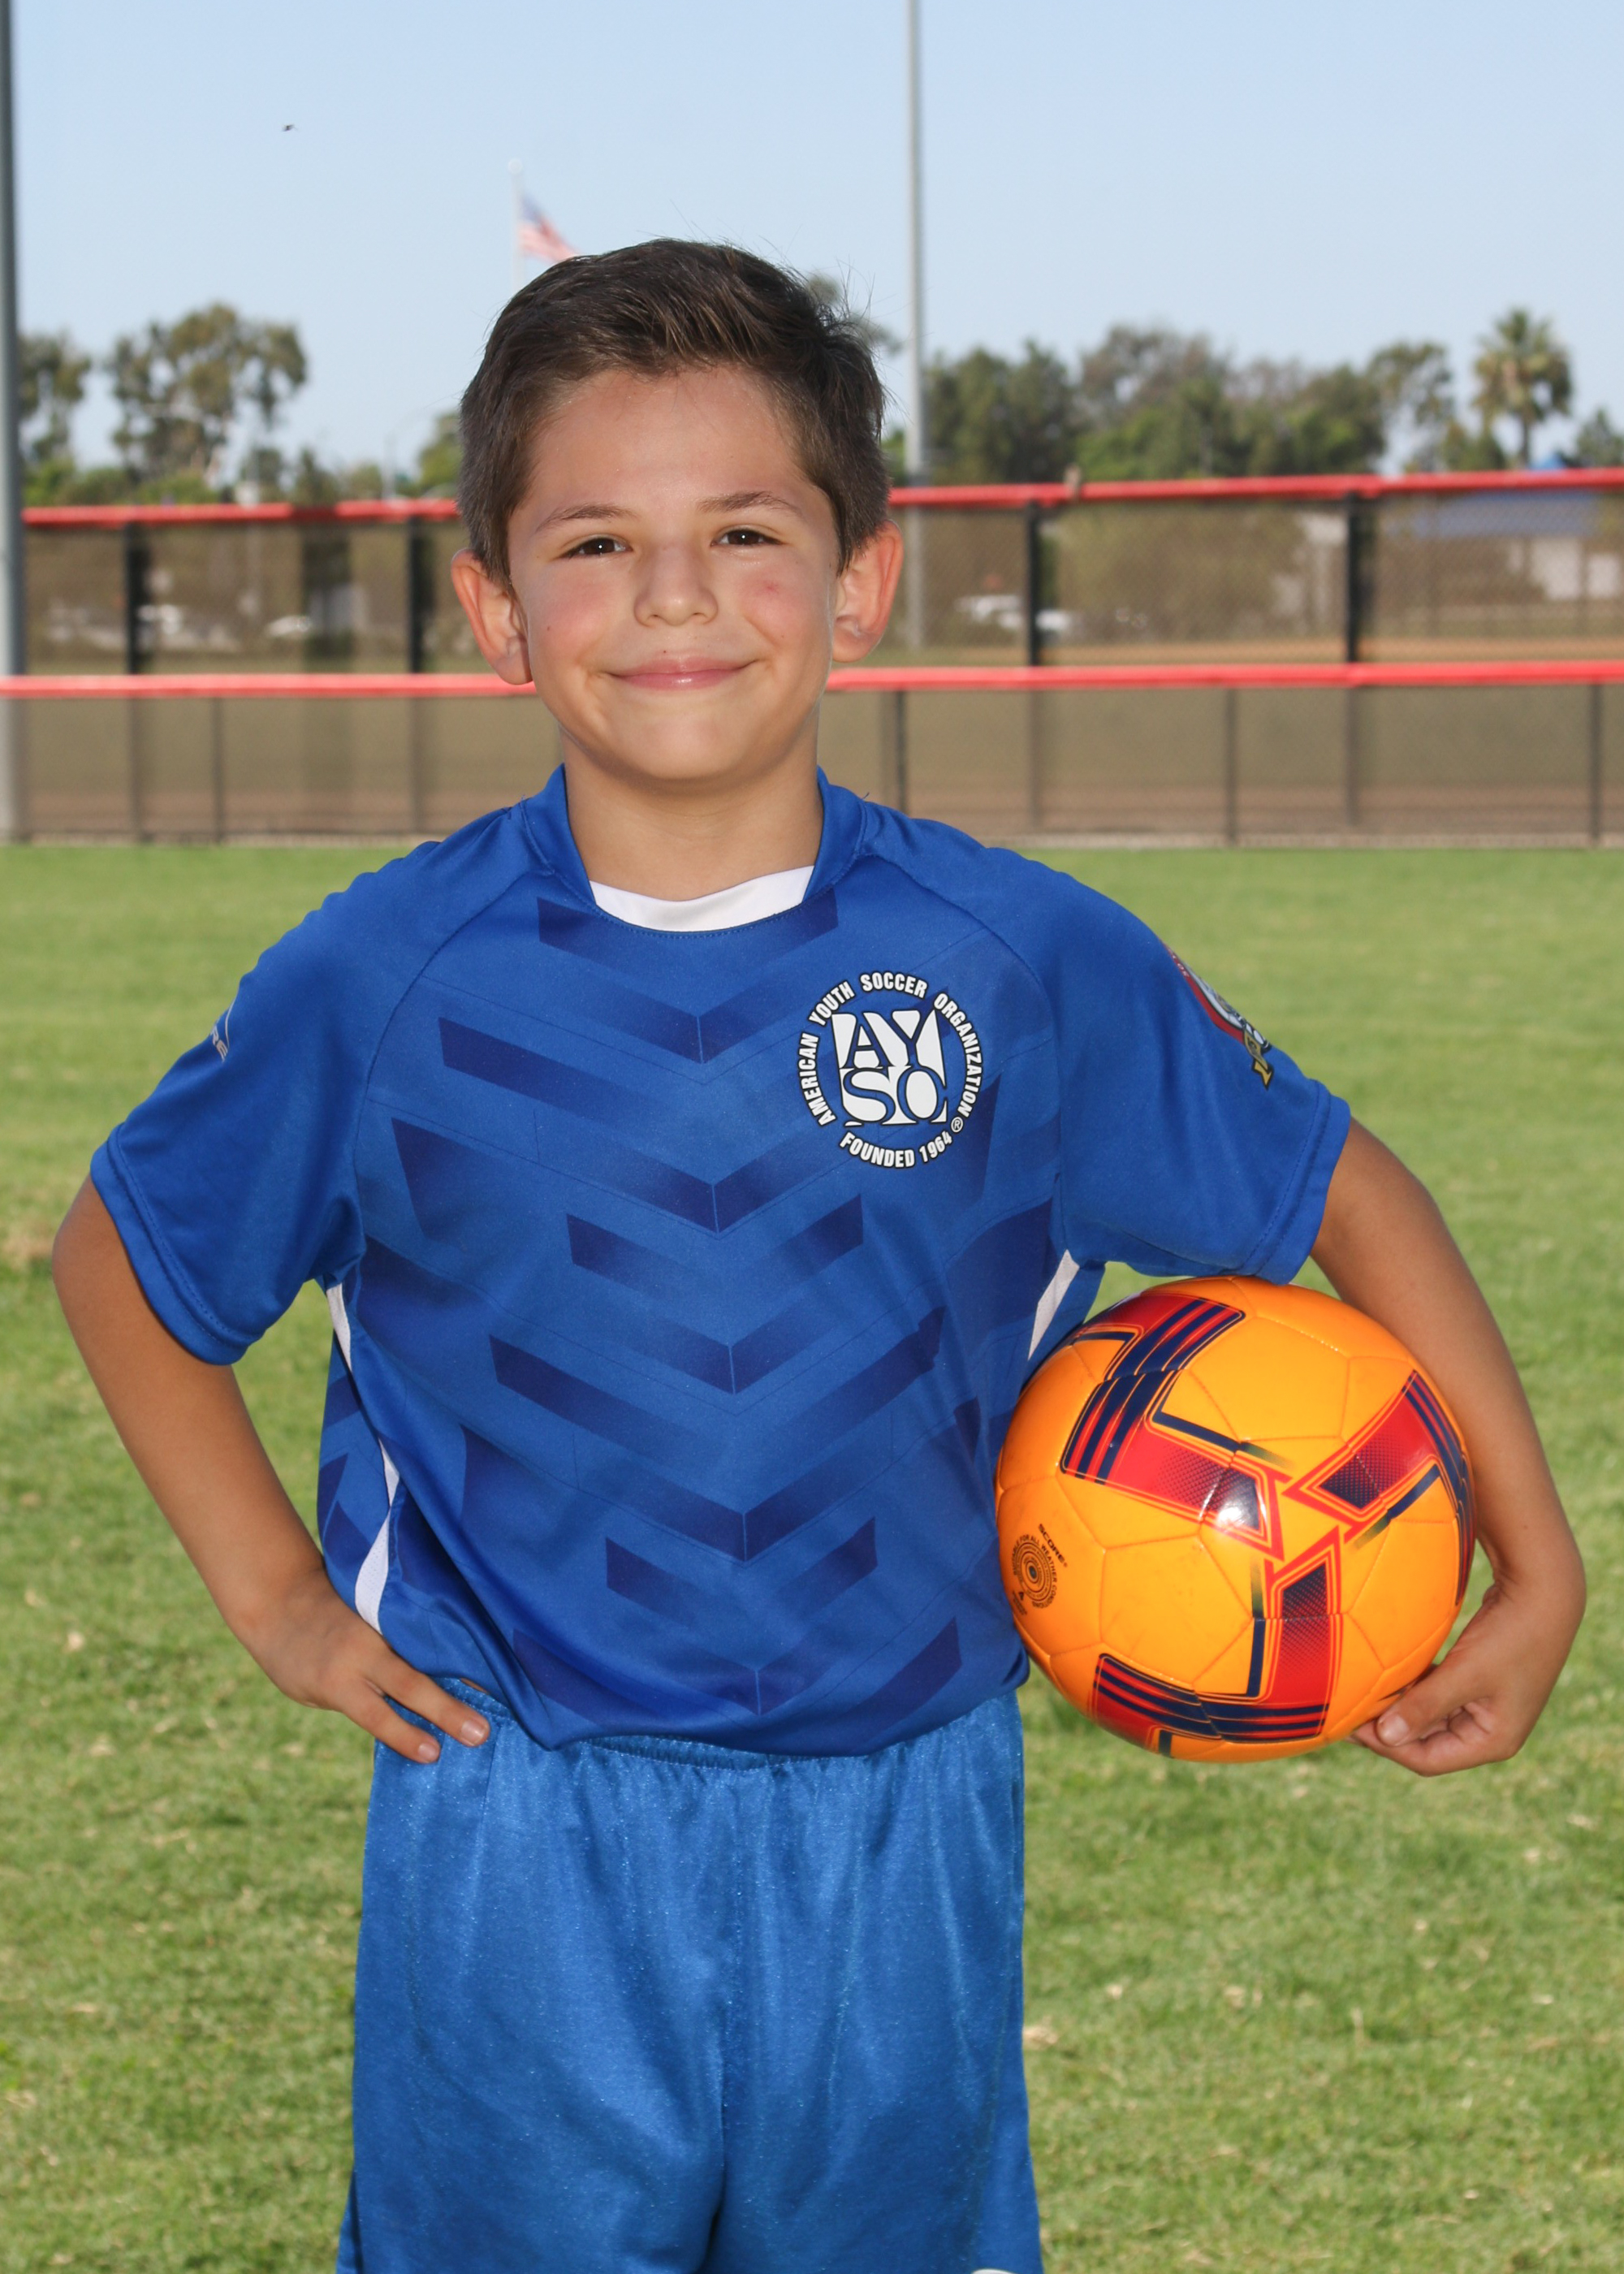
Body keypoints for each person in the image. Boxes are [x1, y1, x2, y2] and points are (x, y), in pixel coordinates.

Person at [52, 242, 1584, 2274]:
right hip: (523, 1819)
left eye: (745, 532)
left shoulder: (1019, 960)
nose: (675, 596)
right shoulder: (386, 978)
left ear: (860, 580)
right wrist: (277, 1600)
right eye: (597, 542)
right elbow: (125, 1254)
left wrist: (1533, 1555)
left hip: (903, 1816)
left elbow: (1339, 1187)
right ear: (495, 611)